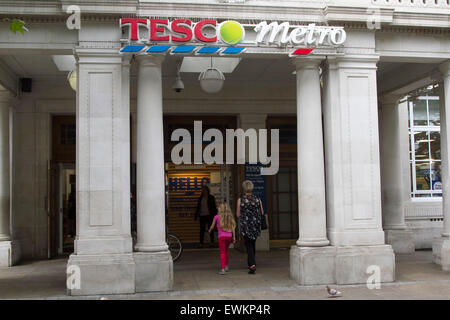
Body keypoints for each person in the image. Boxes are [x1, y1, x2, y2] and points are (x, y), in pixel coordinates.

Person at [236, 180, 264, 274]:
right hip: (256, 225)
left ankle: (252, 265)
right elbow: (262, 212)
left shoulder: (241, 200)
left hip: (246, 225)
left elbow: (238, 214)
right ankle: (251, 262)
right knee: (252, 243)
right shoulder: (258, 199)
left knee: (248, 244)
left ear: (244, 189)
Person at [209, 203, 236, 275]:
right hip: (229, 237)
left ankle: (223, 269)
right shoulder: (229, 217)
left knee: (222, 252)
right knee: (226, 251)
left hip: (221, 237)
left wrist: (209, 230)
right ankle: (226, 266)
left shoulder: (216, 217)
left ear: (220, 209)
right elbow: (233, 228)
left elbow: (212, 226)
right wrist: (234, 237)